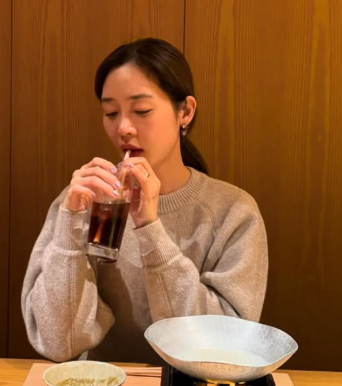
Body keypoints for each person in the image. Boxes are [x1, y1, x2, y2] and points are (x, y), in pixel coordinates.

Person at [21, 38, 268, 363]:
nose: (123, 128)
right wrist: (69, 227)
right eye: (110, 112)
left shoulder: (233, 214)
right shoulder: (83, 202)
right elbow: (58, 343)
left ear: (185, 111)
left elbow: (224, 348)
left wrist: (151, 228)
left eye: (141, 111)